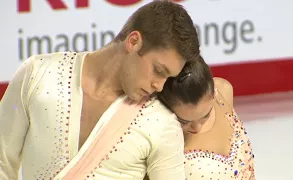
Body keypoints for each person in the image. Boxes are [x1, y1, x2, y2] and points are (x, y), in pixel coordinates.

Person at [0, 1, 200, 179]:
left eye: (168, 77)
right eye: (158, 70)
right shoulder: (38, 74)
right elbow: (2, 162)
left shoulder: (162, 123)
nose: (160, 85)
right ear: (133, 42)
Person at [157, 56, 256, 179]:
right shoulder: (158, 132)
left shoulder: (223, 90)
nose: (197, 127)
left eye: (206, 115)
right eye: (184, 121)